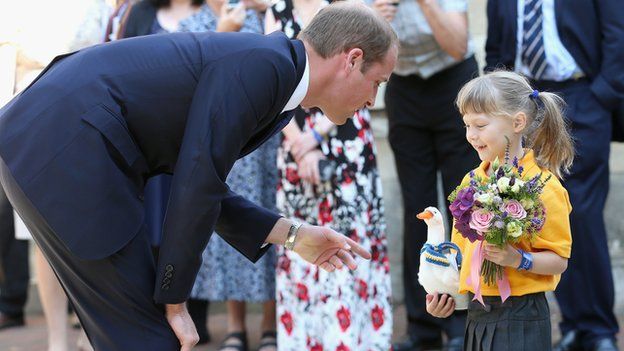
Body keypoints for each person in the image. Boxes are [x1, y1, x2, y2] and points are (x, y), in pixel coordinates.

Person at [0, 3, 396, 350]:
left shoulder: (277, 73)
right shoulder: (266, 66)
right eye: (376, 83)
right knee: (151, 337)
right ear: (351, 59)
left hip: (54, 140)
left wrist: (292, 235)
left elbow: (197, 179)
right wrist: (176, 302)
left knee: (143, 336)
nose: (371, 101)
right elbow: (197, 182)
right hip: (64, 144)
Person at [485, 1, 624, 350]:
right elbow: (495, 51)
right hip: (523, 107)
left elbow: (617, 35)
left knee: (583, 214)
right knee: (538, 218)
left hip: (580, 99)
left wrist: (601, 95)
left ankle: (599, 329)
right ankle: (573, 324)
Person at [266, 0, 393, 350]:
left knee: (349, 243)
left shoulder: (353, 9)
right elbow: (273, 85)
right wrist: (300, 145)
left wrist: (316, 135)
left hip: (347, 143)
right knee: (299, 243)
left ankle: (355, 340)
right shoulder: (276, 10)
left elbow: (363, 76)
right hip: (293, 143)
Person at [425, 70, 573, 350]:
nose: (471, 135)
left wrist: (518, 259)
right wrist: (444, 296)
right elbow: (460, 257)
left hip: (523, 315)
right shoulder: (471, 182)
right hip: (477, 313)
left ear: (518, 122)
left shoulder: (544, 186)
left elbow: (559, 261)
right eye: (467, 125)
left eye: (480, 125)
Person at [369, 0, 479, 349]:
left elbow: (457, 44)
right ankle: (423, 326)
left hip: (455, 82)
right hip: (404, 88)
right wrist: (374, 19)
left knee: (464, 208)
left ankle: (464, 320)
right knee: (419, 210)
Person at [177, 2, 279, 351]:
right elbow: (186, 79)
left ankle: (269, 323)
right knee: (228, 232)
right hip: (223, 139)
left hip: (264, 141)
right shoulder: (192, 23)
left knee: (269, 220)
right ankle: (235, 325)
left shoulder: (263, 16)